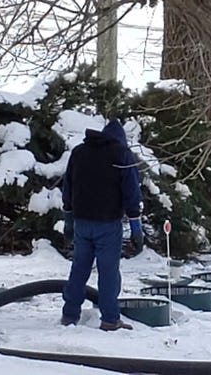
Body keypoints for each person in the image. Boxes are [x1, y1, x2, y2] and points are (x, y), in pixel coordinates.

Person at [61, 119, 144, 331]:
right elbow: (131, 192)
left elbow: (68, 186)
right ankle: (110, 319)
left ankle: (70, 316)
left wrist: (68, 219)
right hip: (108, 224)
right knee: (108, 272)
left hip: (82, 222)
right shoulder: (122, 155)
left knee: (79, 268)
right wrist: (136, 227)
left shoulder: (79, 152)